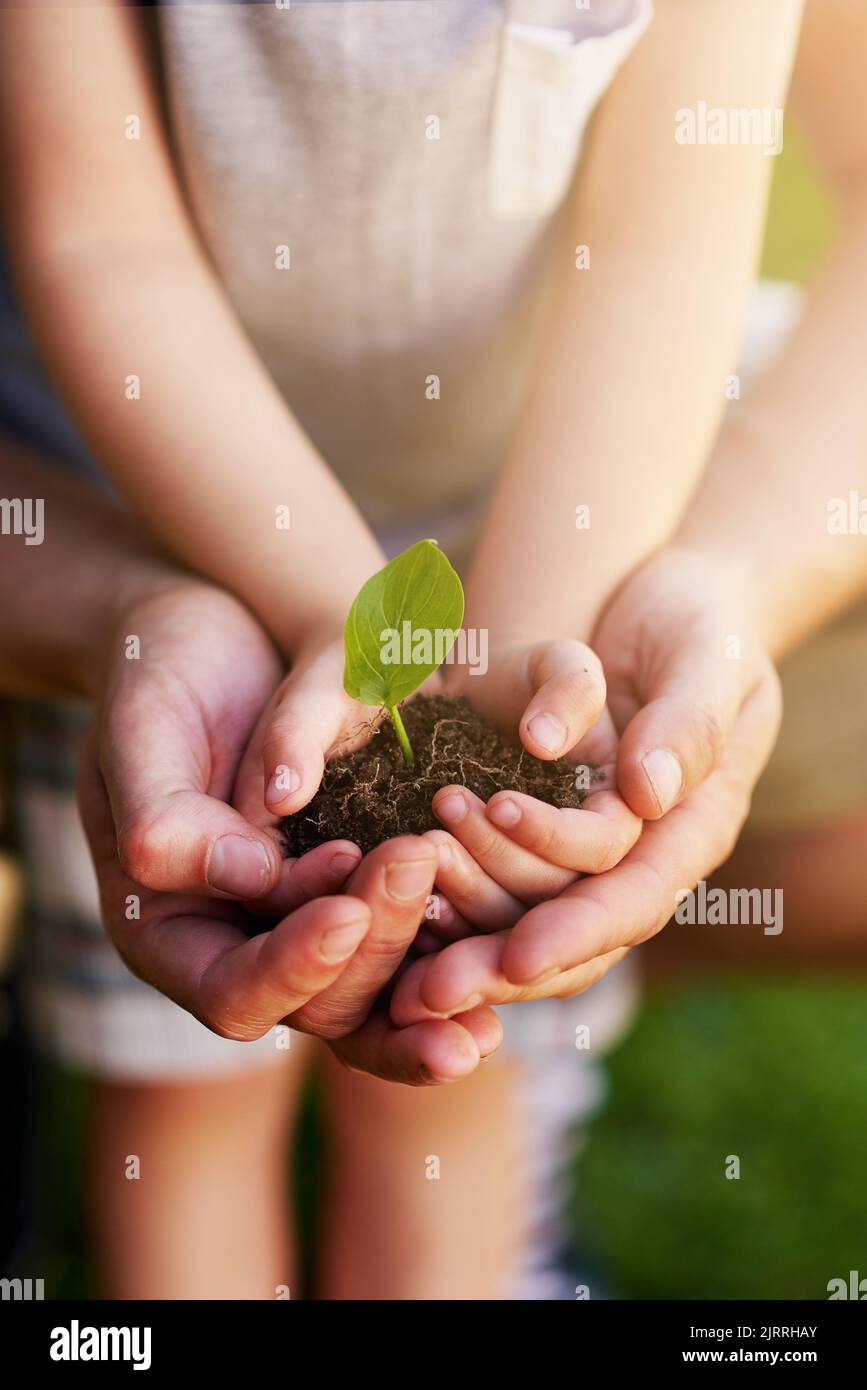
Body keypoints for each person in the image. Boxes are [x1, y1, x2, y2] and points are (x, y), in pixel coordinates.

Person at [3, 0, 862, 1300]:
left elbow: (661, 247)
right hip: (164, 534)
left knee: (462, 1057)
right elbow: (100, 237)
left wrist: (528, 658)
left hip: (521, 525)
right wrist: (326, 609)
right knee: (184, 1094)